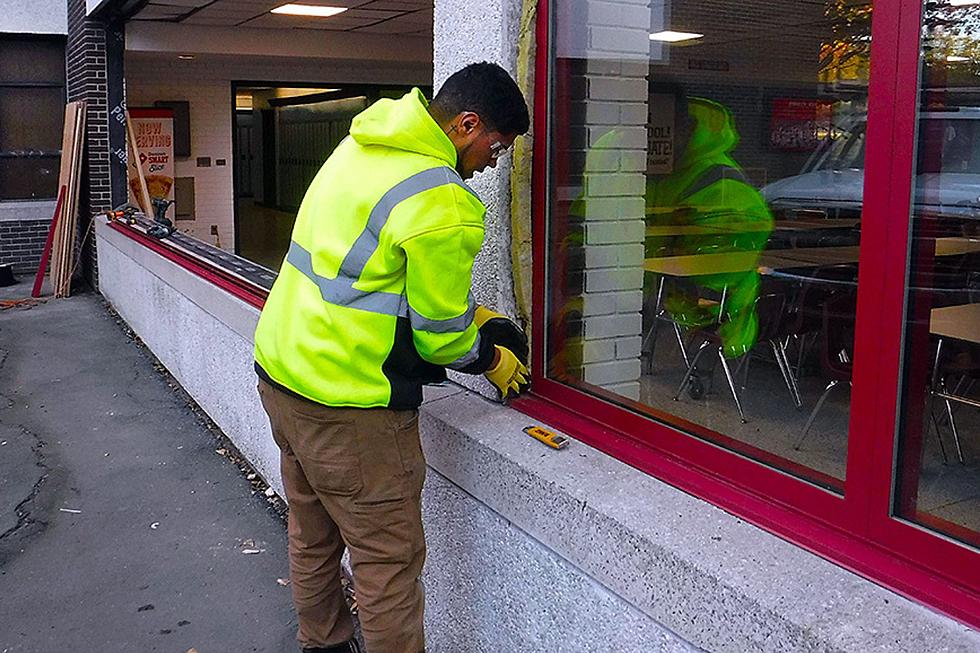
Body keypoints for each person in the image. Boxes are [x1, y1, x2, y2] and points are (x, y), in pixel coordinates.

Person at [253, 62, 531, 653]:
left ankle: (321, 643)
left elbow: (360, 271)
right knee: (388, 567)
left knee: (312, 536)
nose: (492, 162)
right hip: (350, 407)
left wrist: (467, 310)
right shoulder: (444, 201)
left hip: (282, 374)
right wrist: (489, 354)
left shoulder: (359, 145)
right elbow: (439, 339)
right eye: (496, 146)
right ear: (467, 124)